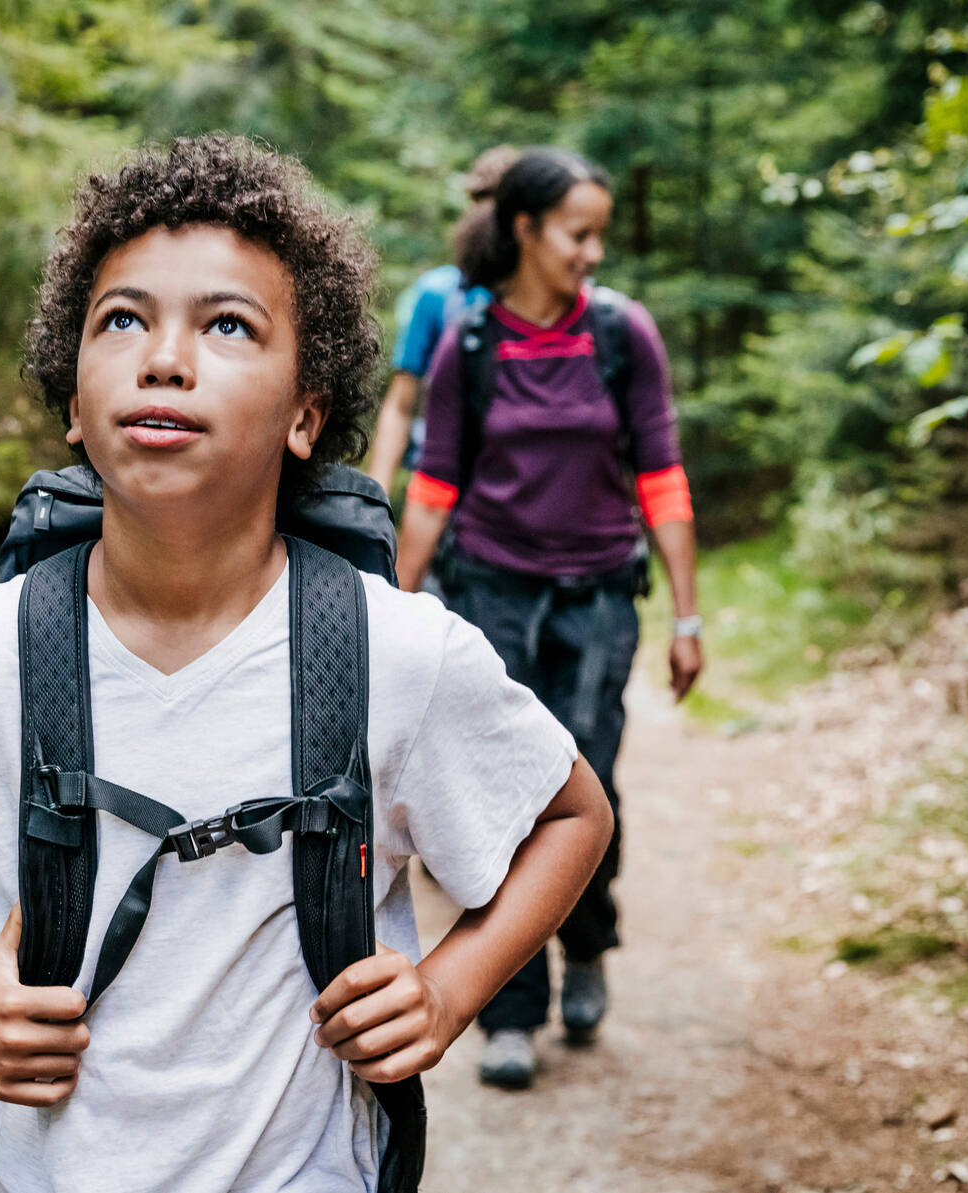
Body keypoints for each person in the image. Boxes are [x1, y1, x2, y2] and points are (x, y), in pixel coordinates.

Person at [0, 135, 614, 1192]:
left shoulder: (397, 654)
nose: (165, 357)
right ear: (72, 399)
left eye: (228, 325)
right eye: (122, 319)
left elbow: (570, 813)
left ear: (306, 413)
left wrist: (453, 989)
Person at [393, 148, 704, 1091]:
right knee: (506, 802)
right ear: (524, 230)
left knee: (587, 783)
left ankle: (591, 942)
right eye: (577, 232)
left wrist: (686, 614)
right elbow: (432, 486)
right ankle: (512, 1011)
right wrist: (393, 607)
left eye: (599, 232)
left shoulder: (621, 335)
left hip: (601, 596)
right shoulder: (470, 344)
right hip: (490, 593)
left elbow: (660, 472)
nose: (592, 251)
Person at [364, 146, 518, 493]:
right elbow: (401, 403)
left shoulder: (544, 299)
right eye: (480, 202)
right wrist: (374, 498)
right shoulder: (437, 294)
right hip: (440, 483)